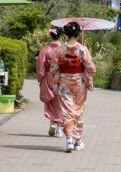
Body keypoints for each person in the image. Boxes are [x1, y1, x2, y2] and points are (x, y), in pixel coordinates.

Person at [50, 21, 96, 152]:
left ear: (66, 33)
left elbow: (53, 69)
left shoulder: (59, 50)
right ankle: (78, 141)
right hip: (79, 83)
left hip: (64, 82)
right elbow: (91, 68)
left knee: (66, 112)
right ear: (78, 33)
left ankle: (69, 140)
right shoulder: (82, 49)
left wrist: (60, 75)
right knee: (78, 111)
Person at [36, 26, 64, 137]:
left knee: (50, 101)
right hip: (61, 78)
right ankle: (59, 129)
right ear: (61, 35)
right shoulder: (64, 49)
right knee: (61, 102)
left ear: (50, 35)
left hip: (48, 77)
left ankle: (52, 122)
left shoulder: (45, 50)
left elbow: (40, 67)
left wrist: (40, 78)